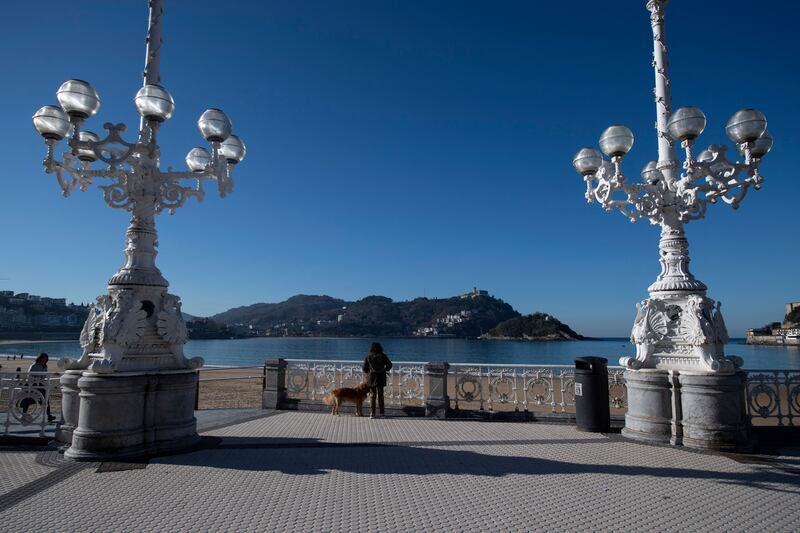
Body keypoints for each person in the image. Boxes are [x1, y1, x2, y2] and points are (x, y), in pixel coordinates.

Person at [21, 352, 55, 423]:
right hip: (32, 385)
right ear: (40, 358)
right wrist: (35, 380)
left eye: (45, 358)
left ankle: (49, 415)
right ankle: (24, 413)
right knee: (29, 398)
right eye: (43, 358)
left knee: (46, 399)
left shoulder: (45, 366)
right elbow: (29, 375)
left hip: (40, 385)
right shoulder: (34, 365)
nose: (44, 360)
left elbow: (44, 376)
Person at [362, 342, 392, 419]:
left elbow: (364, 368)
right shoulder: (383, 356)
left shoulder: (368, 356)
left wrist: (368, 372)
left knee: (372, 395)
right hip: (381, 377)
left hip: (372, 377)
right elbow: (389, 364)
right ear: (380, 348)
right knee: (380, 395)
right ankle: (382, 413)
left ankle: (372, 413)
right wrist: (385, 369)